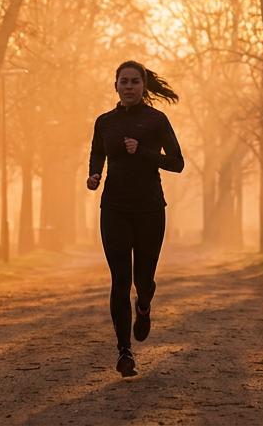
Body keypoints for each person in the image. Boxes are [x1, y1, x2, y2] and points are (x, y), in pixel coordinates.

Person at [86, 60, 185, 377]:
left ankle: (144, 305)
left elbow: (177, 163)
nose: (128, 86)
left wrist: (142, 151)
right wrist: (94, 175)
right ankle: (124, 351)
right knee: (120, 280)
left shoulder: (156, 120)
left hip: (150, 209)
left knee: (143, 281)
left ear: (143, 86)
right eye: (123, 81)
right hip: (114, 209)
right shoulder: (105, 122)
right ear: (115, 85)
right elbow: (97, 153)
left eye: (134, 82)